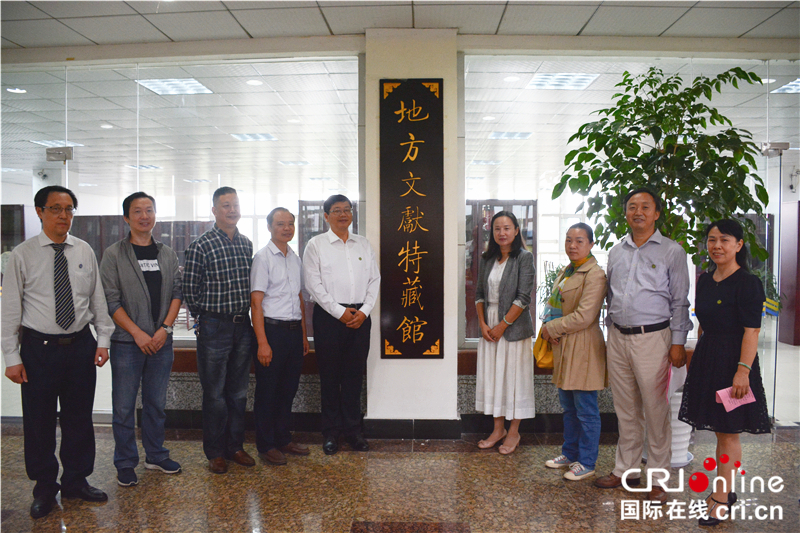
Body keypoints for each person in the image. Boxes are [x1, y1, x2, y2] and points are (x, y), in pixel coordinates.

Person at [1, 185, 115, 519]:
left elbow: (97, 301)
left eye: (68, 209)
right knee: (39, 423)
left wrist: (103, 340)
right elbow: (10, 310)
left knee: (79, 419)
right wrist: (11, 357)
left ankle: (77, 481)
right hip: (39, 350)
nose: (63, 216)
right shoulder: (22, 255)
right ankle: (45, 489)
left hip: (80, 346)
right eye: (55, 209)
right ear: (40, 212)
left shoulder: (84, 251)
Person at [594, 188, 692, 505]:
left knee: (656, 411)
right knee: (625, 410)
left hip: (655, 339)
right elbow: (610, 296)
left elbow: (680, 303)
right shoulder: (616, 251)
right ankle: (626, 470)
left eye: (645, 207)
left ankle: (659, 478)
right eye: (632, 206)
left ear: (656, 213)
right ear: (625, 213)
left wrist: (678, 344)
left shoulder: (672, 252)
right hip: (618, 338)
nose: (638, 211)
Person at [678, 219, 770, 526]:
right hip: (709, 359)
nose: (717, 245)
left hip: (735, 363)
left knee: (729, 432)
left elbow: (752, 332)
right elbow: (704, 322)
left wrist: (742, 372)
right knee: (719, 430)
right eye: (712, 239)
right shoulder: (705, 280)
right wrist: (698, 356)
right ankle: (725, 489)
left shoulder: (748, 283)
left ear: (739, 245)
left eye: (725, 240)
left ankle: (721, 497)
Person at [100, 192, 183, 487]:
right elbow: (110, 300)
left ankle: (156, 455)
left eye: (149, 210)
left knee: (155, 404)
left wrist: (164, 329)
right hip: (127, 344)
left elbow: (176, 293)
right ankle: (125, 462)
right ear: (127, 218)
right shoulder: (113, 254)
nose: (144, 216)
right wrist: (137, 333)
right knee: (123, 407)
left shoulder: (167, 253)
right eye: (137, 211)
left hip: (161, 342)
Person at [183, 186, 256, 474]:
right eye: (225, 205)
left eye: (235, 204)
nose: (232, 210)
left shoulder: (246, 244)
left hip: (243, 325)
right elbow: (190, 290)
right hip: (214, 326)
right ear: (214, 210)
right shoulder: (201, 245)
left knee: (238, 392)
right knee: (214, 393)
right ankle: (215, 452)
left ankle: (235, 446)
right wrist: (206, 317)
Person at [303, 194, 380, 455]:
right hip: (329, 318)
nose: (343, 214)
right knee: (329, 377)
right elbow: (313, 285)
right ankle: (331, 433)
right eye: (337, 210)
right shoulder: (316, 245)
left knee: (353, 377)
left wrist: (365, 311)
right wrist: (339, 312)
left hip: (360, 318)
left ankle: (353, 431)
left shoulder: (363, 245)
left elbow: (374, 280)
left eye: (347, 210)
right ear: (326, 216)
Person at [541, 222, 607, 480]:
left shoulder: (595, 274)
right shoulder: (568, 270)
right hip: (564, 343)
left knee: (586, 408)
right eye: (569, 240)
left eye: (579, 241)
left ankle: (587, 462)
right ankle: (570, 453)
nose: (572, 245)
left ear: (591, 244)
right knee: (568, 406)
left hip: (583, 346)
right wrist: (549, 326)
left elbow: (585, 316)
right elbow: (553, 305)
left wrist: (552, 328)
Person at [250, 207, 310, 465]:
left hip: (294, 333)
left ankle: (283, 438)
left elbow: (298, 298)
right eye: (280, 224)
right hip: (271, 332)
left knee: (288, 389)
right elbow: (256, 303)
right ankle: (266, 444)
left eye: (290, 224)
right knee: (268, 391)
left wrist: (304, 336)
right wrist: (262, 342)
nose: (286, 228)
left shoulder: (294, 258)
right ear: (269, 227)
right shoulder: (263, 258)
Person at [474, 211, 535, 455]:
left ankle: (513, 432)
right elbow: (479, 293)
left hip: (513, 327)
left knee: (513, 378)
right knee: (494, 376)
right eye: (497, 228)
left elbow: (523, 297)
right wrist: (483, 324)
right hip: (488, 325)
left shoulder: (524, 258)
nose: (502, 233)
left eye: (507, 228)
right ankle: (497, 429)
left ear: (516, 231)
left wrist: (502, 325)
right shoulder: (487, 259)